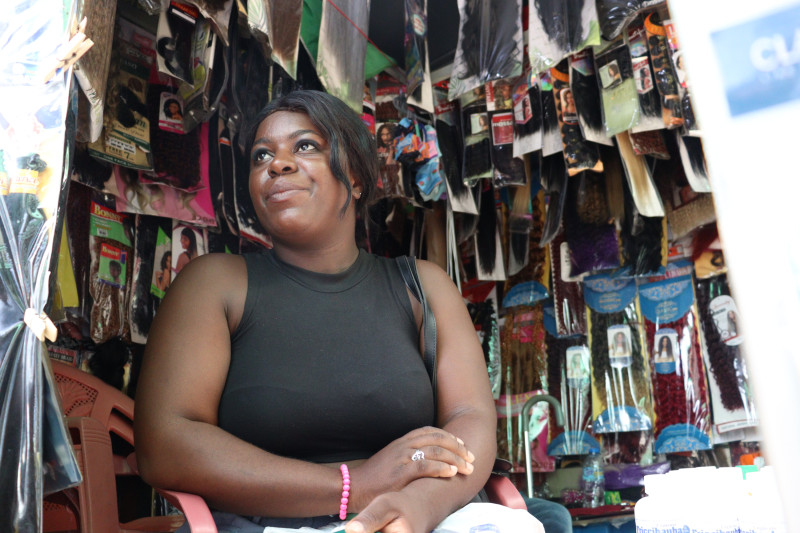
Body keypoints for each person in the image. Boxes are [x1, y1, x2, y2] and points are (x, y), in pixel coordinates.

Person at [134, 90, 542, 533]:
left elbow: (471, 418)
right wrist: (355, 484)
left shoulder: (422, 287)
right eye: (261, 155)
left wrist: (417, 507)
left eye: (305, 146)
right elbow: (165, 443)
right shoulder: (215, 285)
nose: (277, 164)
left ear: (356, 176)